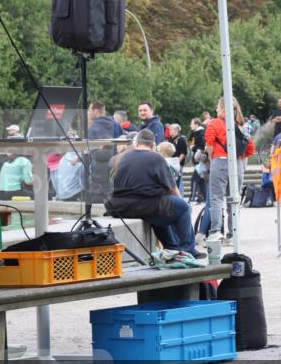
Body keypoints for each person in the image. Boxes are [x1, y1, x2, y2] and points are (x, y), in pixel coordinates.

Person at [105, 130, 200, 257]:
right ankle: (187, 250)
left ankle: (172, 247)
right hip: (145, 204)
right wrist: (180, 202)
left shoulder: (122, 157)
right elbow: (172, 189)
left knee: (161, 209)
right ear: (153, 145)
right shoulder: (156, 157)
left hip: (119, 207)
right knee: (182, 207)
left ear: (137, 143)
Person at [199, 96, 257, 246]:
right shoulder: (241, 126)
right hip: (238, 163)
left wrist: (211, 157)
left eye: (217, 107)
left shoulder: (214, 123)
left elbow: (209, 144)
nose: (215, 109)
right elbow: (251, 148)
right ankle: (233, 235)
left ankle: (215, 232)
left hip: (220, 161)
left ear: (223, 109)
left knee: (216, 199)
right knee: (234, 199)